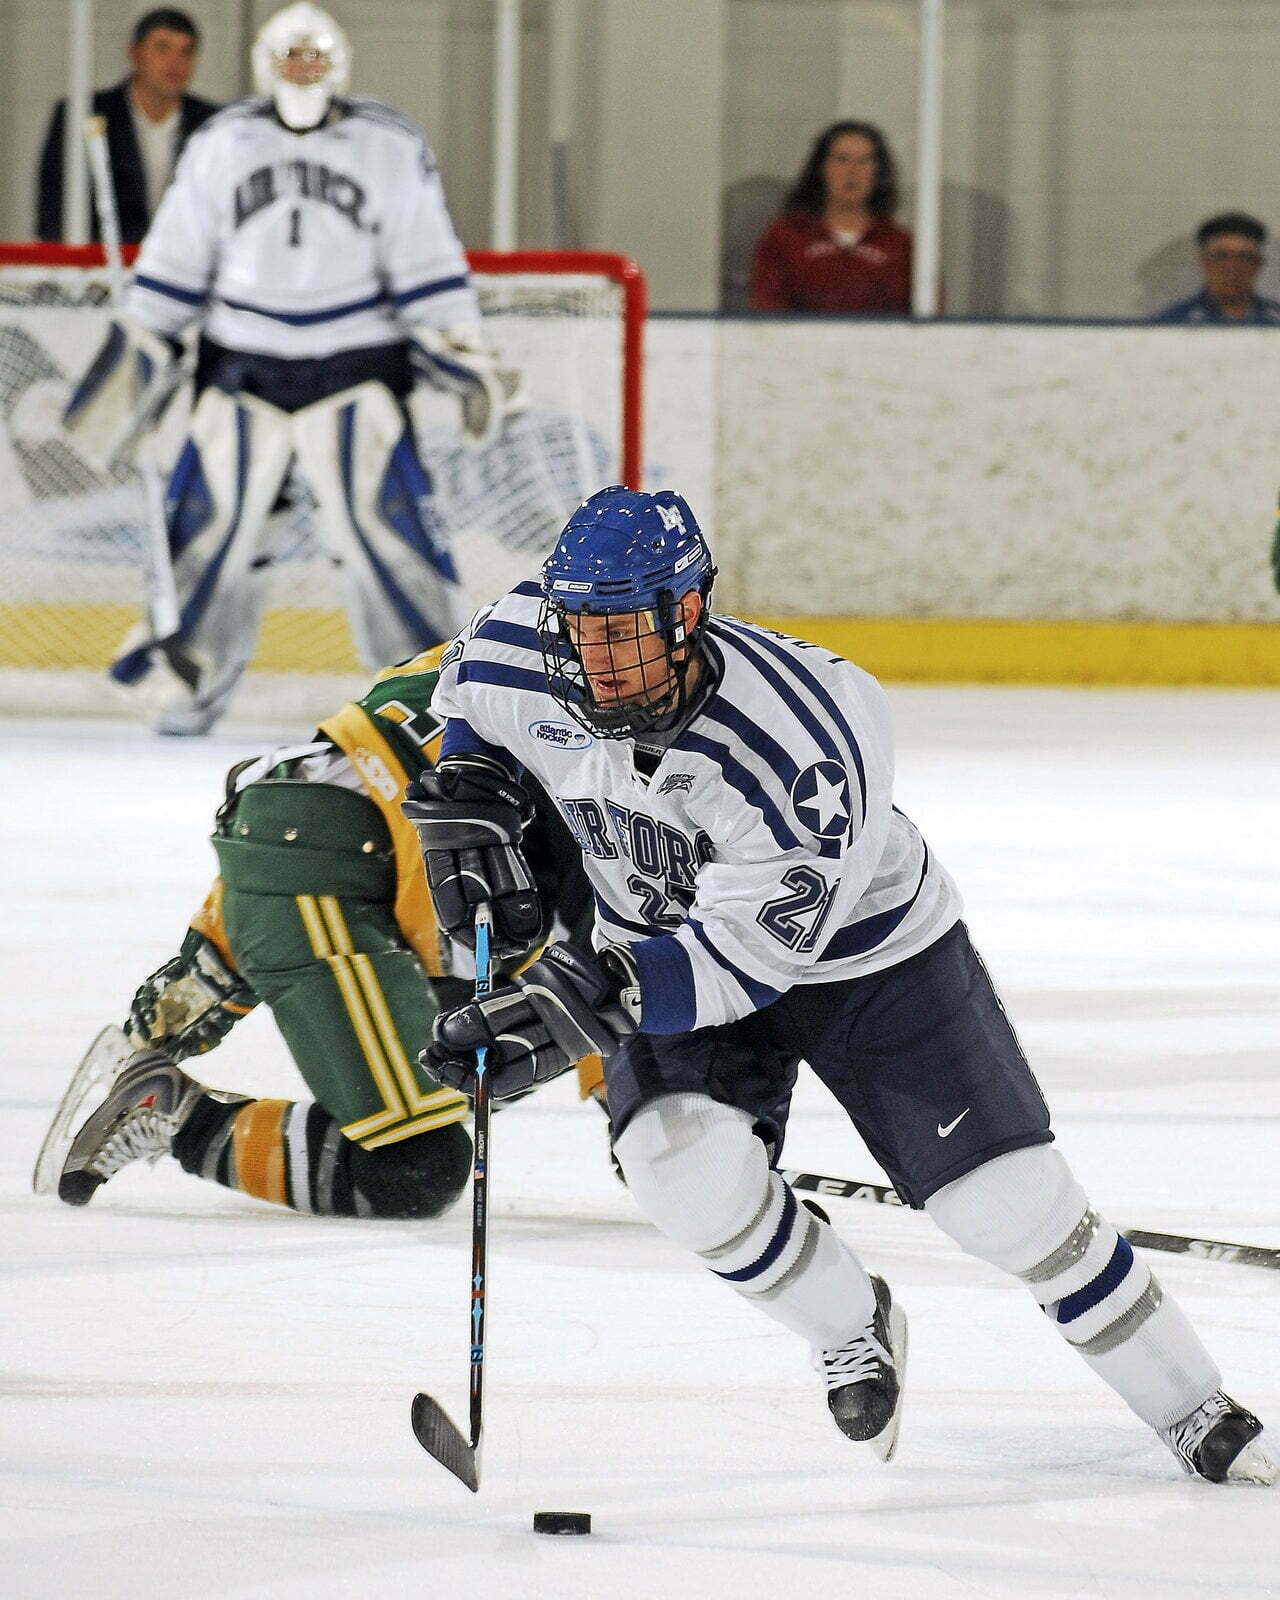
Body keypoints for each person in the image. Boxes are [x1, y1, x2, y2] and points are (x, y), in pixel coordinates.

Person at [399, 484, 1277, 1487]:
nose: (589, 659)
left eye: (617, 632)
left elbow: (742, 959)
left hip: (869, 963)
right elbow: (465, 702)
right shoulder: (519, 648)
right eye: (576, 629)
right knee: (674, 1167)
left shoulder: (805, 736)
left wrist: (567, 1007)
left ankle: (1189, 1403)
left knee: (1007, 1207)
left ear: (684, 614)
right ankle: (850, 1323)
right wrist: (469, 790)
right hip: (649, 944)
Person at [61, 2, 521, 736]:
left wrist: (460, 344)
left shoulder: (386, 142)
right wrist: (141, 344)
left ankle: (427, 696)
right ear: (267, 64)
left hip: (357, 375)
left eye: (315, 58)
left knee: (389, 542)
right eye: (291, 57)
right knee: (208, 537)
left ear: (337, 63)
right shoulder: (223, 141)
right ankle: (189, 681)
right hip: (242, 372)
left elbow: (426, 255)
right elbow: (178, 256)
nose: (303, 71)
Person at [37, 642, 598, 1221]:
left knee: (487, 1050)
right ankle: (172, 1113)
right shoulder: (628, 738)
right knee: (416, 1166)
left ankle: (205, 983)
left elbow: (383, 738)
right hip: (340, 861)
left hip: (315, 824)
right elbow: (606, 973)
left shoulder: (518, 631)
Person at [36, 9, 219, 245]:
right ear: (135, 53)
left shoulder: (212, 123)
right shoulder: (86, 113)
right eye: (162, 48)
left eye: (186, 51)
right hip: (101, 269)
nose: (175, 62)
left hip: (184, 270)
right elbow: (55, 205)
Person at [748, 121, 913, 314]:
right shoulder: (787, 236)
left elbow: (925, 316)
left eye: (864, 161)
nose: (853, 171)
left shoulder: (899, 243)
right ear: (821, 168)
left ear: (878, 173)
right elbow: (767, 308)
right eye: (842, 159)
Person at [1153, 214, 1280, 325]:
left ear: (1258, 264)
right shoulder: (1171, 323)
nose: (1232, 267)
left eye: (1243, 257)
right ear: (1205, 262)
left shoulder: (1275, 320)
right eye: (1222, 256)